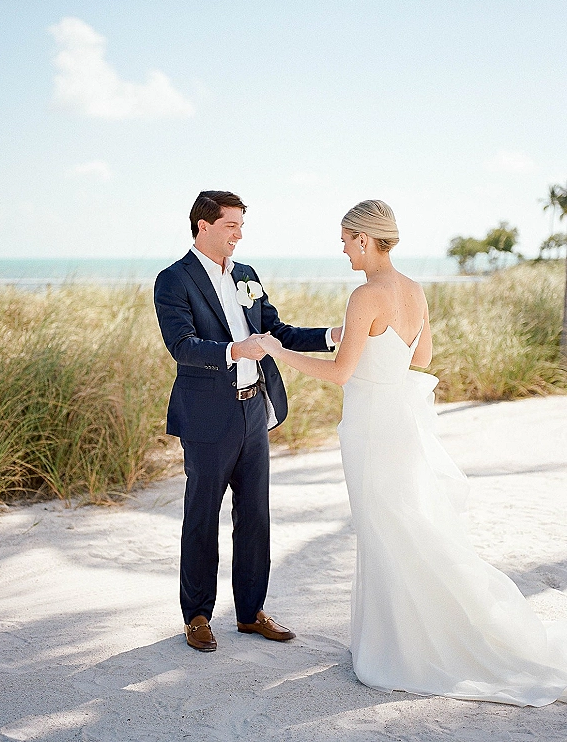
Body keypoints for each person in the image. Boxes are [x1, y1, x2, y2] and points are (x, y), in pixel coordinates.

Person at [258, 199, 567, 706]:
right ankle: (396, 640)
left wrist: (275, 349)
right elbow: (420, 359)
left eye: (344, 238)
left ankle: (395, 650)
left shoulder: (365, 295)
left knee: (385, 529)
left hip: (371, 430)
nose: (340, 248)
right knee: (405, 527)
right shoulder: (415, 290)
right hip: (398, 424)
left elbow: (339, 373)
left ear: (363, 238)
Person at [154, 190, 341, 652]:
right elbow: (182, 345)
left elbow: (277, 332)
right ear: (204, 226)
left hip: (254, 408)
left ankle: (251, 613)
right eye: (231, 225)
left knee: (255, 515)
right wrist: (235, 350)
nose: (239, 234)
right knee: (202, 516)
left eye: (241, 225)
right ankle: (196, 617)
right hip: (206, 416)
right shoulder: (173, 280)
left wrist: (334, 335)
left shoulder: (247, 275)